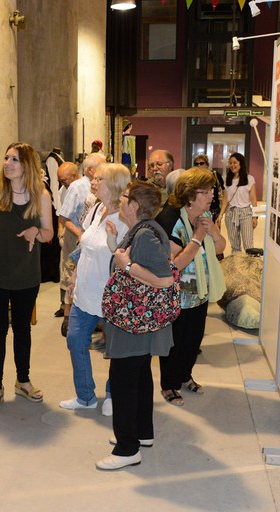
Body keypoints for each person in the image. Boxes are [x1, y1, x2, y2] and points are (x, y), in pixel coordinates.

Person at [96, 181, 176, 470]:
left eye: (126, 197)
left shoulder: (145, 236)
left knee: (124, 380)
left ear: (135, 207)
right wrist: (116, 246)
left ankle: (127, 449)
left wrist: (127, 265)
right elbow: (126, 259)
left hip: (135, 322)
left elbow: (165, 278)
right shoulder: (142, 231)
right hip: (139, 322)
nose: (121, 199)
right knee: (140, 376)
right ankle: (142, 434)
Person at [0, 142, 54, 413]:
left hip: (26, 274)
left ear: (27, 165)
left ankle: (23, 380)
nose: (7, 163)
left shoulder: (41, 196)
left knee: (22, 329)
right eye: (6, 158)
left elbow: (49, 234)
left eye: (15, 160)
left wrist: (35, 231)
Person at [60, 164, 131, 413]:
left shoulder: (125, 218)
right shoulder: (96, 208)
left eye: (99, 178)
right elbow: (85, 248)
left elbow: (126, 258)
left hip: (112, 296)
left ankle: (113, 394)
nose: (92, 181)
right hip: (85, 292)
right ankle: (85, 397)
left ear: (113, 185)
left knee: (115, 350)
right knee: (75, 341)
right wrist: (74, 280)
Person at [155, 168, 226, 406]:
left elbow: (219, 249)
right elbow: (174, 264)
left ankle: (185, 376)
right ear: (189, 195)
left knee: (193, 341)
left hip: (199, 292)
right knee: (174, 343)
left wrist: (214, 232)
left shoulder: (204, 215)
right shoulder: (171, 219)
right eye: (205, 192)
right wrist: (197, 237)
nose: (211, 196)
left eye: (212, 191)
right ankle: (169, 385)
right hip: (177, 294)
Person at [57, 153, 105, 333]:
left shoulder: (101, 185)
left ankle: (93, 318)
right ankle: (68, 319)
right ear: (91, 169)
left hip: (91, 240)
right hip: (76, 236)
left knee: (89, 277)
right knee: (72, 277)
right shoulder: (77, 187)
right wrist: (80, 234)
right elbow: (64, 217)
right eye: (101, 166)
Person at [217, 152, 258, 254]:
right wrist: (221, 215)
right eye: (230, 163)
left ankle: (250, 268)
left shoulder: (249, 179)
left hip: (246, 213)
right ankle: (236, 267)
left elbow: (253, 199)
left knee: (248, 245)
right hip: (231, 214)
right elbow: (225, 199)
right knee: (235, 246)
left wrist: (255, 216)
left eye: (235, 162)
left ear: (241, 164)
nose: (232, 165)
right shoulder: (228, 180)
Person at [55, 162, 82, 317]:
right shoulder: (63, 190)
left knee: (75, 272)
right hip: (70, 233)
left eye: (64, 180)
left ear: (73, 175)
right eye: (60, 180)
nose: (62, 183)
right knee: (66, 270)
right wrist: (61, 230)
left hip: (78, 233)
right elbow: (62, 214)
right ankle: (64, 306)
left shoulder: (79, 187)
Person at [193, 153, 225, 223]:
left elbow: (225, 194)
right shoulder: (193, 179)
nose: (199, 165)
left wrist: (221, 214)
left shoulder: (215, 175)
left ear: (207, 165)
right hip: (199, 213)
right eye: (196, 164)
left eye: (201, 163)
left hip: (214, 212)